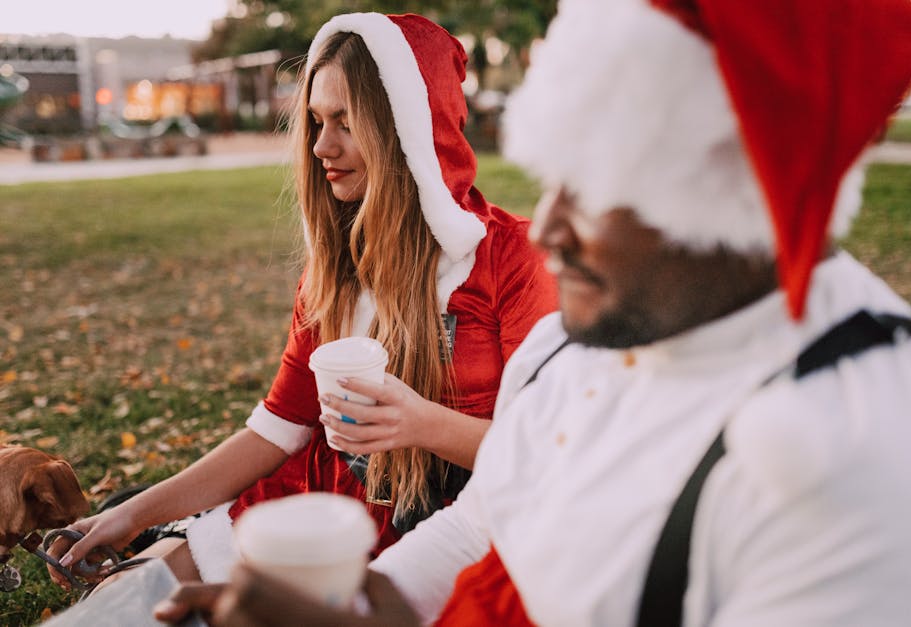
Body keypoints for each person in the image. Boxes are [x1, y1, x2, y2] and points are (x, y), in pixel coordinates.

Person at [155, 0, 911, 625]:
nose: (551, 230)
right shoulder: (582, 343)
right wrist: (364, 605)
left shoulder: (861, 457)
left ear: (741, 190)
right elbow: (480, 524)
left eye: (595, 188)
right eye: (554, 176)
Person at [49, 12, 556, 587]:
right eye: (316, 121)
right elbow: (279, 428)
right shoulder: (335, 269)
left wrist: (421, 424)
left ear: (408, 129)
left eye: (345, 121)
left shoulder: (511, 259)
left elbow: (548, 455)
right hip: (321, 502)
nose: (321, 146)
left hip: (458, 529)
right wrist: (130, 515)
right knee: (131, 596)